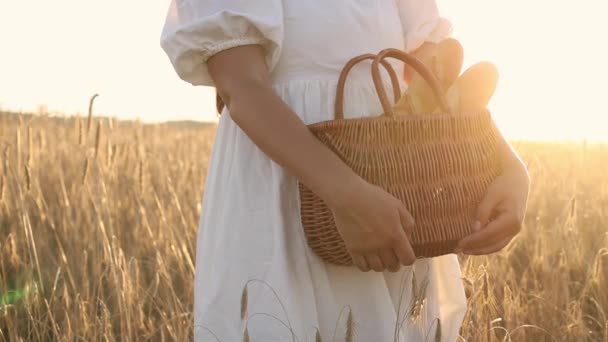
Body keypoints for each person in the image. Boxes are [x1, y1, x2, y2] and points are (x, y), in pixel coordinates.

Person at [160, 1, 530, 341]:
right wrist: (346, 194)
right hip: (283, 197)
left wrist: (509, 164)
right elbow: (242, 86)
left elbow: (433, 84)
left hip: (389, 195)